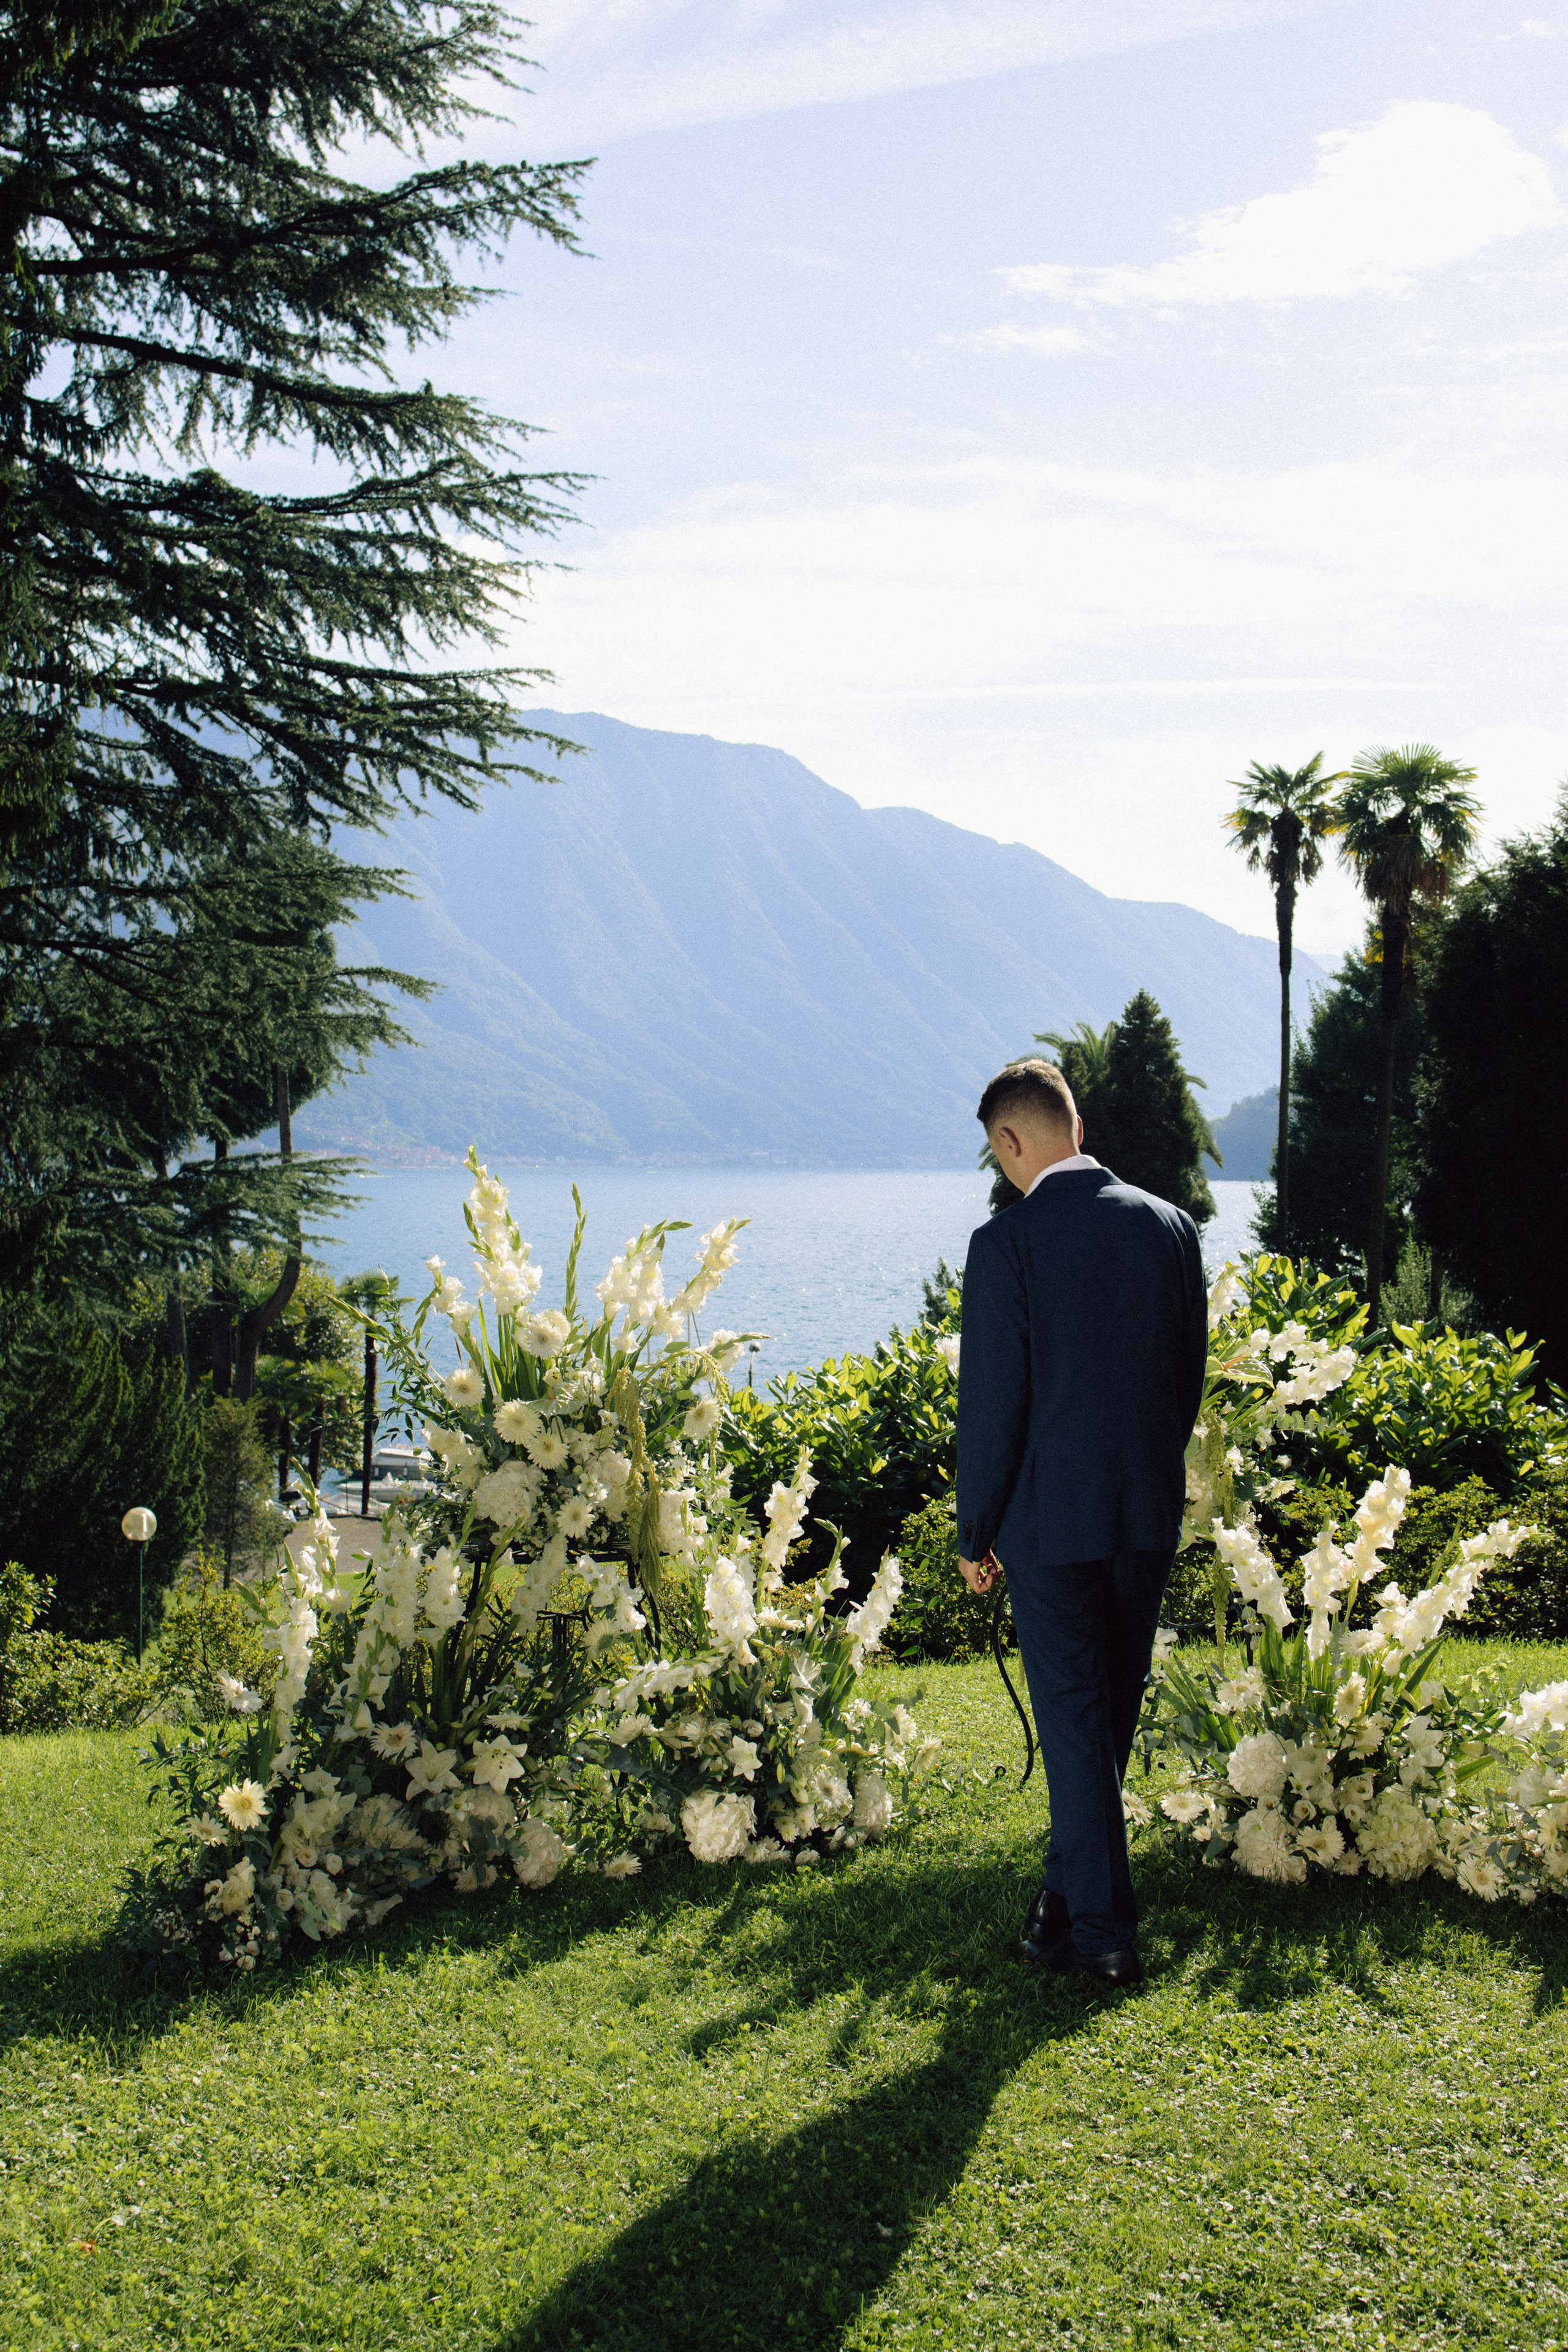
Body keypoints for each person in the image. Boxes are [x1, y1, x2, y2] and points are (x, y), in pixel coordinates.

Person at [956, 1058, 1207, 1986]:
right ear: (1077, 1123)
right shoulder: (1174, 1229)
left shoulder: (1006, 1245)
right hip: (1143, 1510)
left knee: (1074, 1722)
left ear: (1014, 1141)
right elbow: (1184, 1384)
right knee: (1105, 1720)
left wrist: (974, 1529)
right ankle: (1060, 1902)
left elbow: (994, 1406)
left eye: (998, 1153)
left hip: (1045, 1523)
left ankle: (1102, 1932)